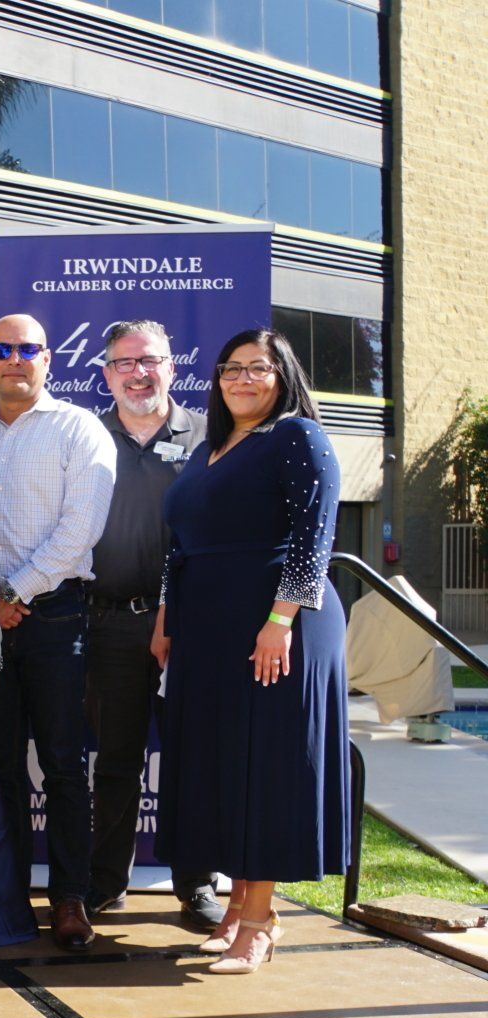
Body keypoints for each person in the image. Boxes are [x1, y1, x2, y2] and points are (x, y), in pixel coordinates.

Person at [156, 329, 349, 974]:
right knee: (226, 765)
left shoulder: (297, 437)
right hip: (209, 627)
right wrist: (167, 617)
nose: (242, 379)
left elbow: (314, 535)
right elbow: (180, 544)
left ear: (282, 375)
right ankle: (238, 907)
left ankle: (261, 922)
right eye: (231, 368)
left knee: (264, 765)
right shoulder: (208, 448)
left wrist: (280, 620)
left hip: (276, 625)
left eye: (257, 368)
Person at [0, 314, 116, 952]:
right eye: (2, 349)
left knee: (62, 763)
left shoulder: (79, 429)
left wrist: (15, 592)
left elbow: (82, 527)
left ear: (48, 358)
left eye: (27, 348)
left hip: (56, 616)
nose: (15, 359)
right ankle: (3, 896)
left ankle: (69, 898)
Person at [85, 321, 223, 927]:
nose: (138, 373)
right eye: (124, 363)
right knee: (116, 761)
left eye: (150, 361)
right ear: (107, 373)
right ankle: (105, 883)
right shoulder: (85, 434)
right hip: (111, 624)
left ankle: (196, 883)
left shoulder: (211, 434)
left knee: (193, 757)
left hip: (194, 626)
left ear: (171, 366)